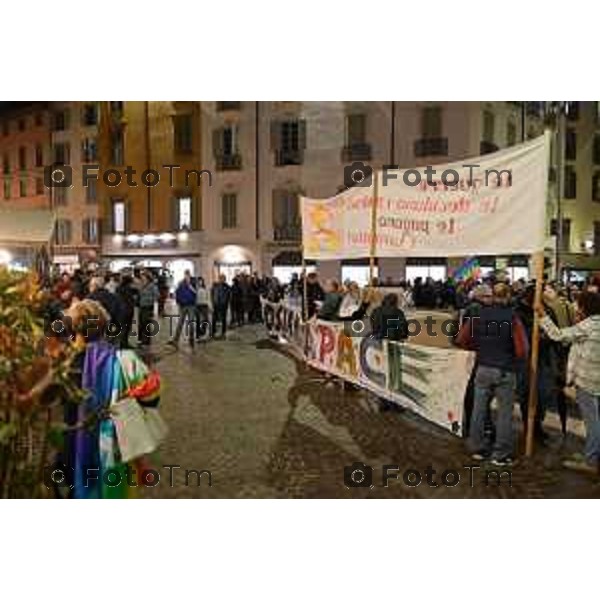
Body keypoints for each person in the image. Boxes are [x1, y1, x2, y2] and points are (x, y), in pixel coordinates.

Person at [456, 283, 528, 466]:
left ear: (492, 296)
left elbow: (461, 340)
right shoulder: (513, 318)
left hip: (483, 367)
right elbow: (522, 349)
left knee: (479, 410)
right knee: (504, 413)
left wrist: (479, 348)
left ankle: (476, 448)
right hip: (505, 369)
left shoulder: (477, 315)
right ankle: (501, 455)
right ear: (508, 296)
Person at [536, 291, 600, 474]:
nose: (576, 307)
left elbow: (557, 335)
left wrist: (542, 315)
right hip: (597, 378)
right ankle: (592, 453)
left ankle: (591, 461)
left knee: (593, 422)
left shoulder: (589, 325)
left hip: (587, 381)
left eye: (579, 305)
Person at [169, 270, 197, 349]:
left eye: (188, 274)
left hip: (191, 305)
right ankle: (175, 340)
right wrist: (178, 302)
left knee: (191, 323)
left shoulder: (194, 282)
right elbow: (177, 292)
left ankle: (191, 340)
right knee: (180, 323)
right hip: (183, 305)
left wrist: (189, 285)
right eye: (185, 274)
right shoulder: (181, 282)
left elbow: (196, 292)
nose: (186, 276)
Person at [116, 275, 138, 349]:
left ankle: (122, 344)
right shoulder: (128, 289)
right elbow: (131, 299)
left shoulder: (118, 288)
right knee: (126, 328)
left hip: (120, 310)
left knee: (122, 328)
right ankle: (124, 344)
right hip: (127, 310)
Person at [138, 271, 158, 347]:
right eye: (141, 277)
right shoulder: (141, 285)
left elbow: (156, 296)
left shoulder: (152, 286)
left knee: (146, 323)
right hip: (141, 306)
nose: (142, 278)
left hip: (148, 307)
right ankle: (140, 339)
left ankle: (146, 341)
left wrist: (149, 299)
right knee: (141, 323)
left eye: (143, 276)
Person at [211, 274, 231, 338]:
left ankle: (223, 332)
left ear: (224, 279)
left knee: (223, 319)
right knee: (214, 319)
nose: (221, 279)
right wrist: (213, 302)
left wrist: (226, 303)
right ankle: (213, 332)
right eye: (220, 278)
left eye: (223, 278)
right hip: (216, 304)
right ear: (219, 279)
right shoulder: (215, 286)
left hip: (223, 305)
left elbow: (229, 296)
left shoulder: (227, 286)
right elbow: (212, 293)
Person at [195, 277, 211, 341]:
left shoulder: (206, 288)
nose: (200, 282)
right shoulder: (195, 289)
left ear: (203, 281)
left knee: (205, 319)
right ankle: (198, 335)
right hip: (197, 305)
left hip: (204, 305)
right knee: (198, 320)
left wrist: (210, 306)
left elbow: (208, 297)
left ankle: (202, 332)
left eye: (201, 281)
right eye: (198, 281)